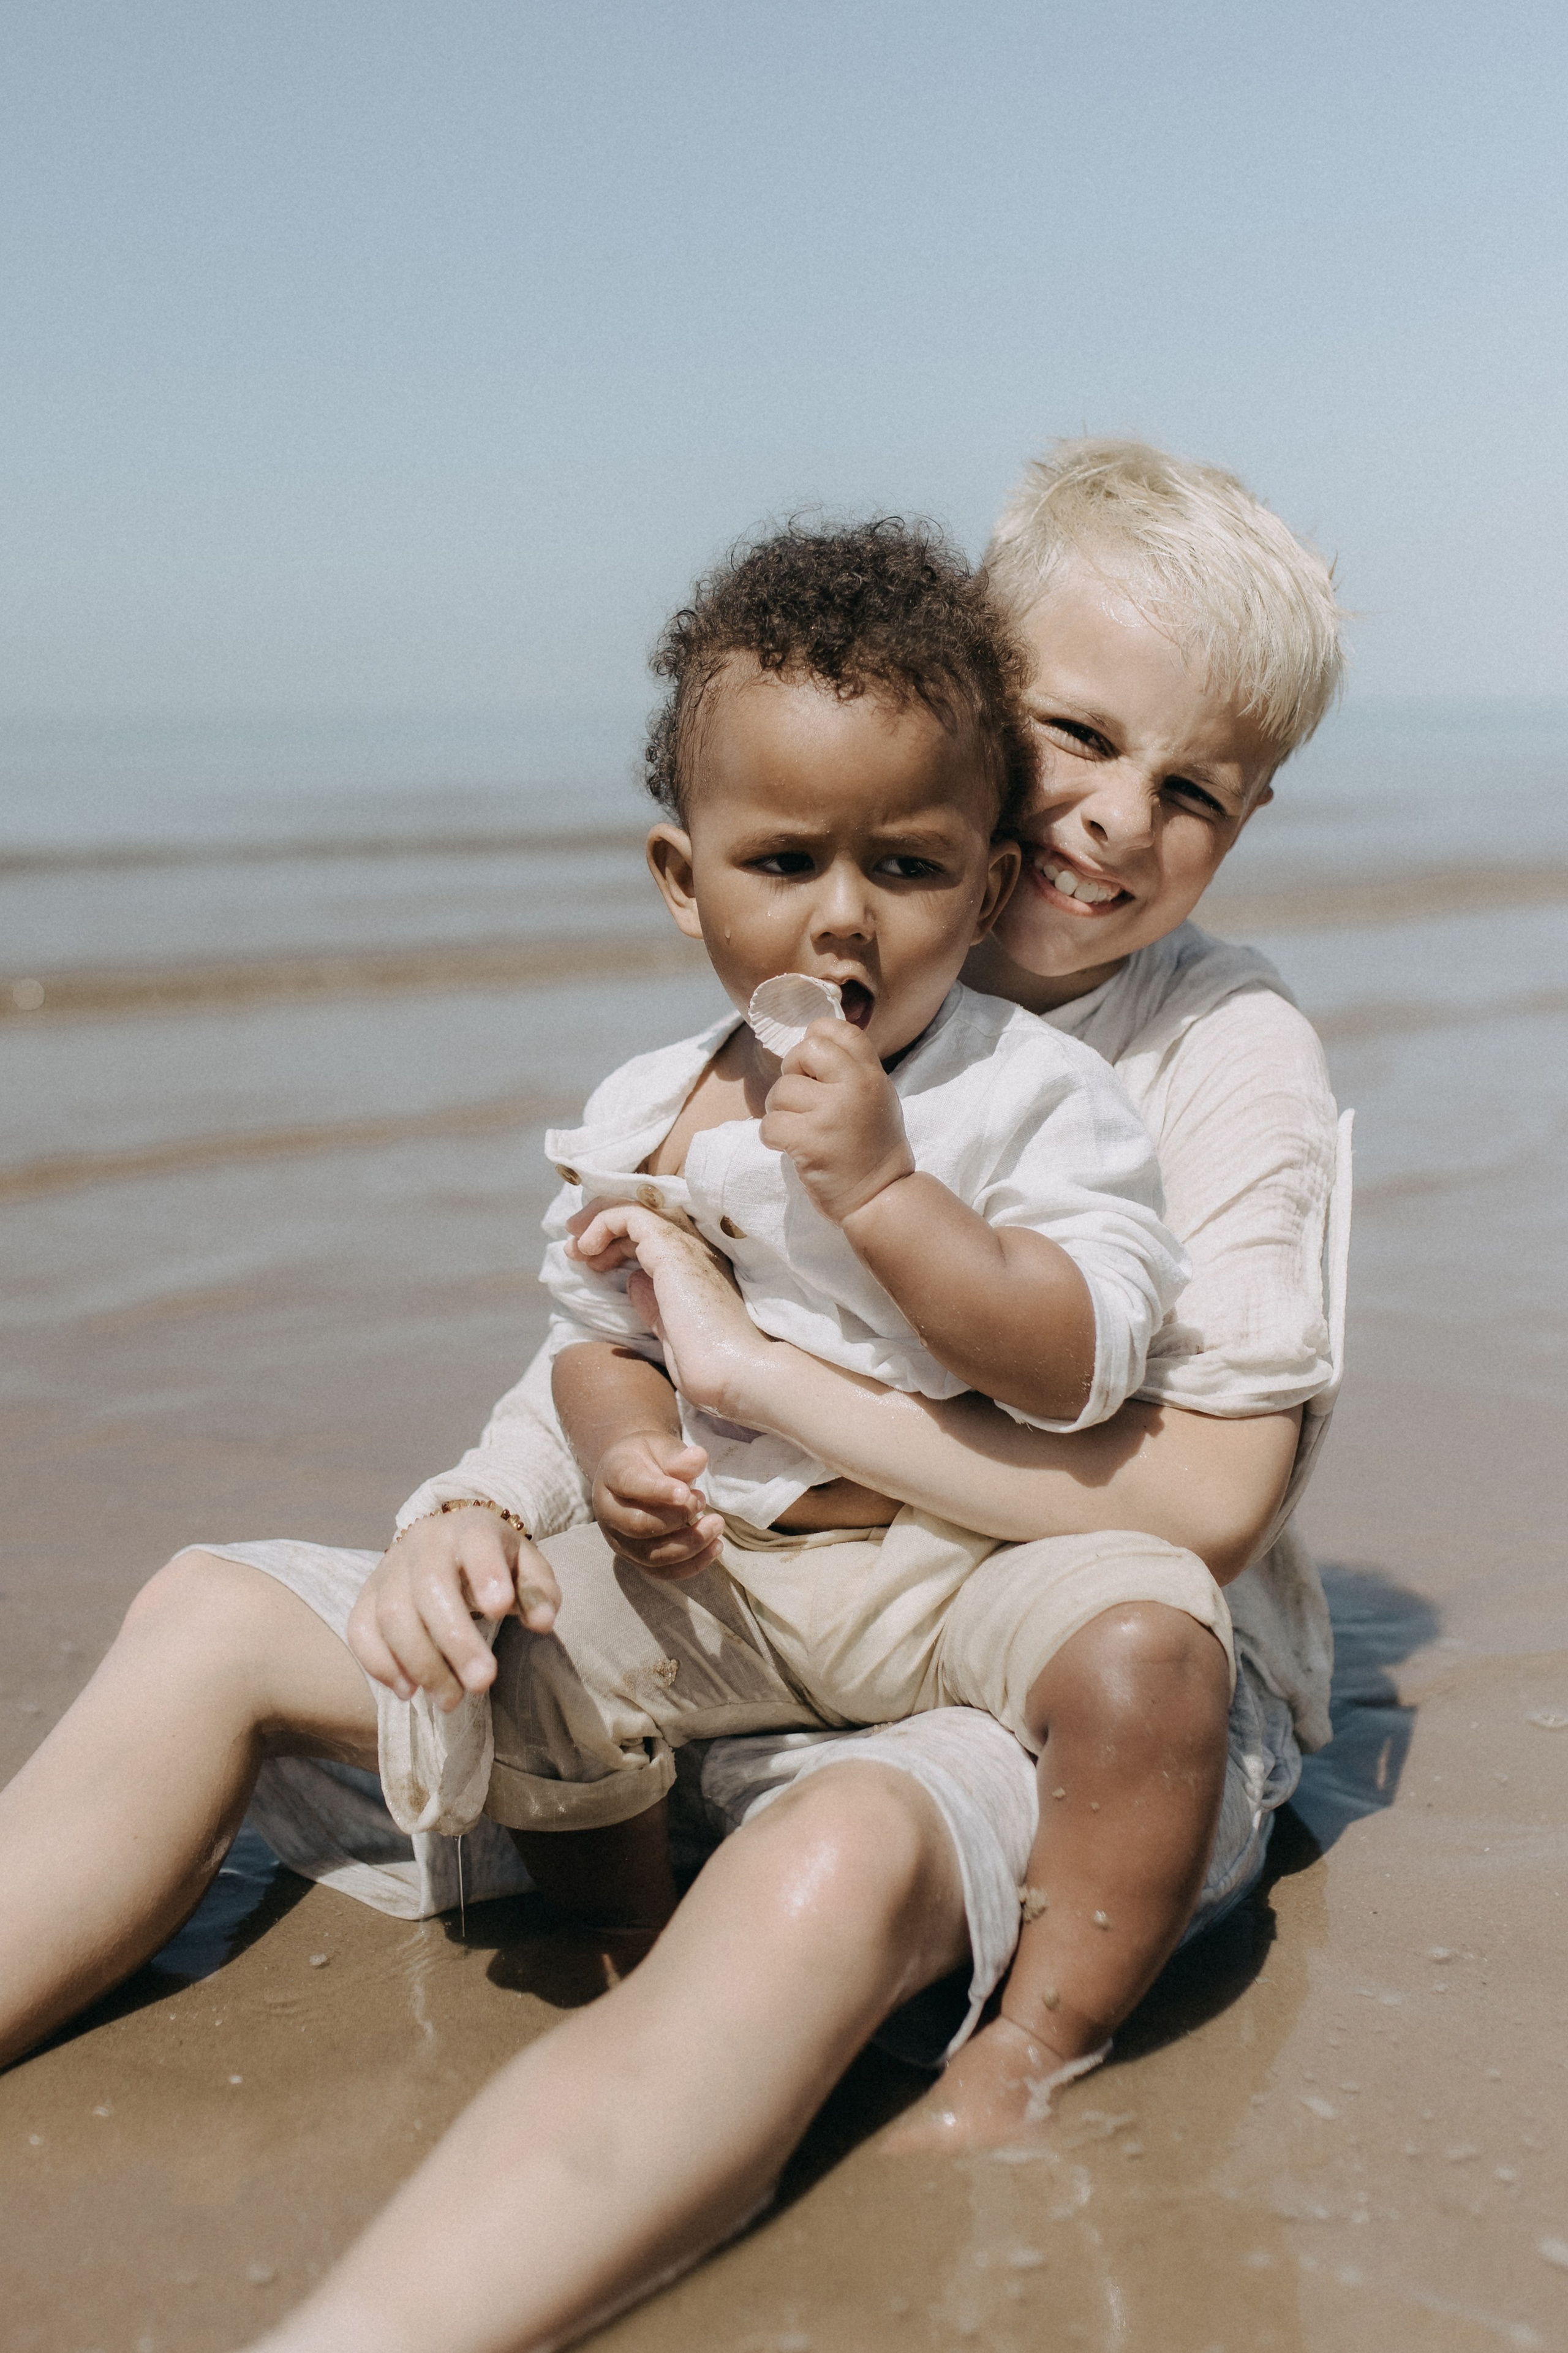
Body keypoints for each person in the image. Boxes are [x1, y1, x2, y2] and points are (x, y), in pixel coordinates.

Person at [0, 438, 1346, 2353]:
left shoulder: (1208, 1046)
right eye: (1071, 736)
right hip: (727, 1628)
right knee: (212, 1609)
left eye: (1190, 789)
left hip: (1042, 1699)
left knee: (829, 1855)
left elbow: (1200, 1509)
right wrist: (468, 1511)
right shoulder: (749, 1031)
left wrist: (760, 1366)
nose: (1113, 819)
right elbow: (620, 1315)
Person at [366, 518, 1213, 2040]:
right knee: (523, 1653)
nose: (840, 915)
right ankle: (629, 1941)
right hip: (730, 1583)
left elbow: (1079, 1356)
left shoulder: (1024, 1090)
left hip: (956, 1568)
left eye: (904, 866)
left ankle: (1040, 2040)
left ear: (985, 882)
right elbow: (595, 1336)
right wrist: (623, 1449)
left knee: (1149, 1632)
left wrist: (886, 1193)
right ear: (683, 882)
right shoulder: (646, 1111)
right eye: (780, 861)